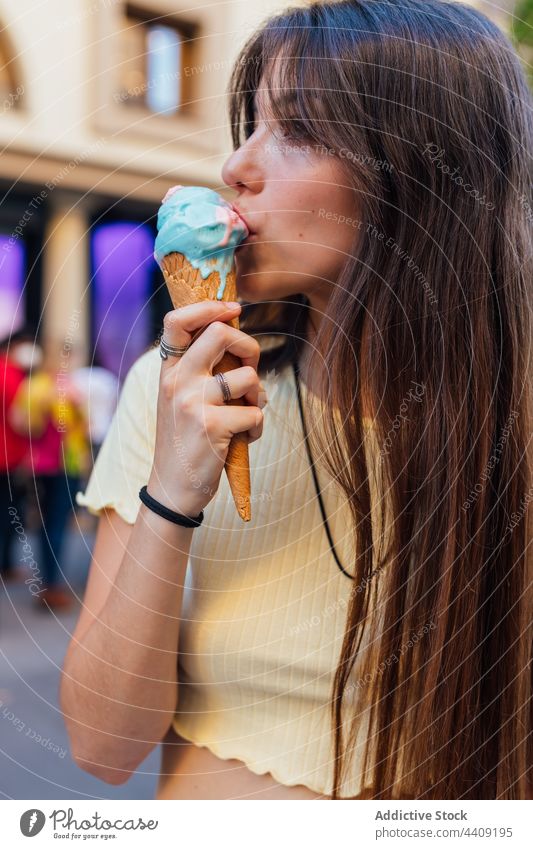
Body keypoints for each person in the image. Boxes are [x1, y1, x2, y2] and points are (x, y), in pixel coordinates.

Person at [61, 0, 532, 800]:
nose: (235, 167)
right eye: (248, 124)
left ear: (420, 175)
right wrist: (173, 491)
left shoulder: (508, 434)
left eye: (300, 130)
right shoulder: (177, 390)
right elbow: (103, 743)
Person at [10, 341, 91, 609]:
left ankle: (49, 581)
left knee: (49, 522)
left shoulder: (39, 386)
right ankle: (51, 584)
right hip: (58, 465)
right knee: (55, 523)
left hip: (48, 464)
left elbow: (20, 423)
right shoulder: (59, 388)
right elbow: (24, 423)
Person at [0, 331, 36, 582]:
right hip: (8, 457)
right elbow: (21, 419)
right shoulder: (13, 375)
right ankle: (5, 565)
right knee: (8, 512)